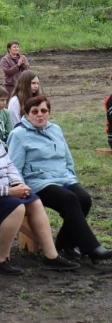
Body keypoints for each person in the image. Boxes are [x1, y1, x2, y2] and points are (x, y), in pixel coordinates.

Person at [0, 106, 80, 275]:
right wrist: (9, 192)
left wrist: (17, 184)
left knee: (33, 201)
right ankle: (2, 259)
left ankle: (51, 256)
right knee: (16, 207)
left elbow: (9, 164)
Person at [8, 96, 112, 264]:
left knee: (84, 198)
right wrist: (21, 188)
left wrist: (72, 179)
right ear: (27, 114)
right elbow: (13, 167)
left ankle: (65, 244)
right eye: (34, 112)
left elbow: (67, 158)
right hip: (37, 182)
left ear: (49, 113)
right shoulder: (19, 135)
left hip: (62, 178)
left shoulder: (55, 129)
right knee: (69, 199)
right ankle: (93, 249)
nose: (39, 115)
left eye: (44, 111)